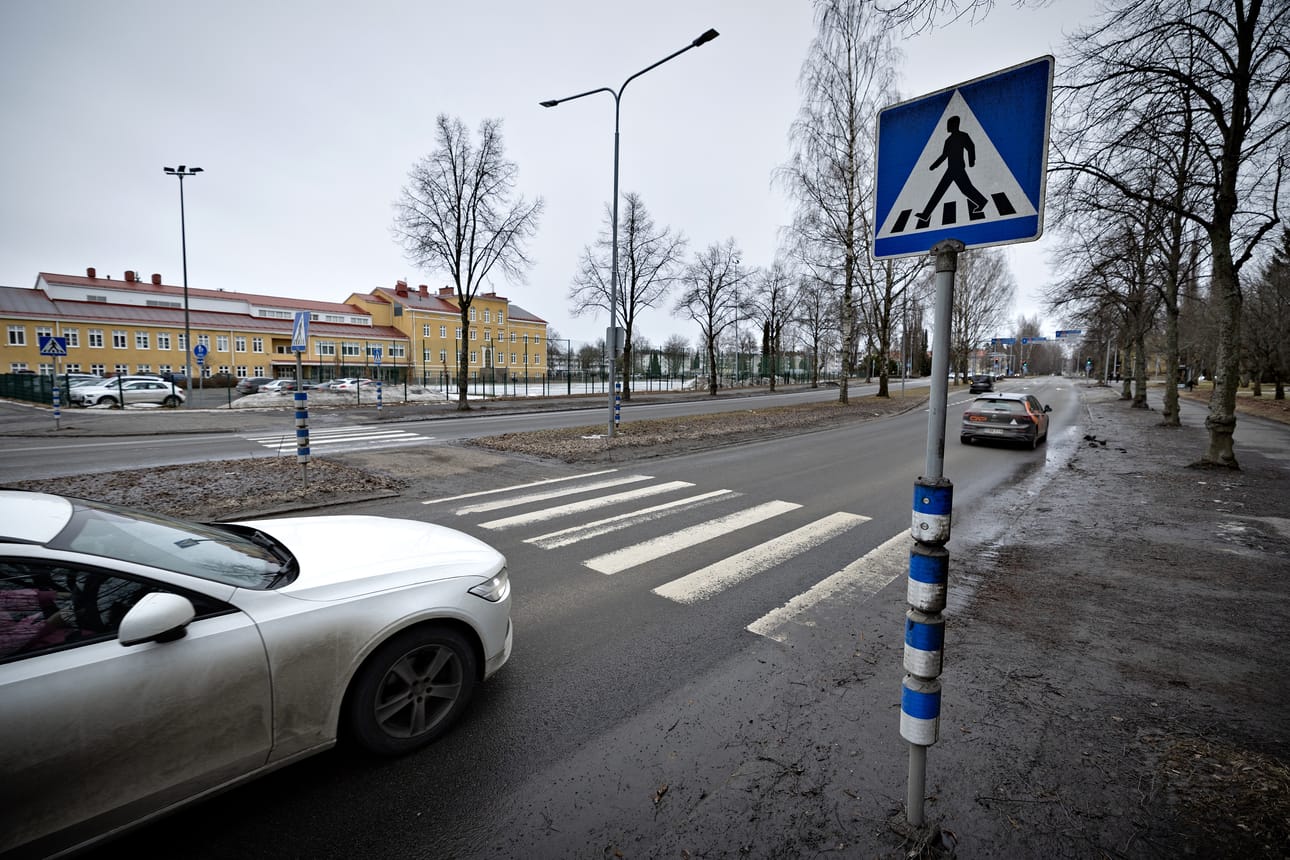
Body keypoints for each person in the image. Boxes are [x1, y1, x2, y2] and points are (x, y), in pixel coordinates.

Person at [916, 115, 989, 223]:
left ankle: (982, 201)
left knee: (963, 189)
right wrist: (934, 165)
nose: (947, 127)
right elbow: (944, 155)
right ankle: (926, 214)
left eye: (949, 125)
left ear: (954, 125)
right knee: (945, 190)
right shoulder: (948, 140)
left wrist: (971, 161)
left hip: (958, 168)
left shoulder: (963, 136)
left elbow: (971, 147)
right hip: (951, 168)